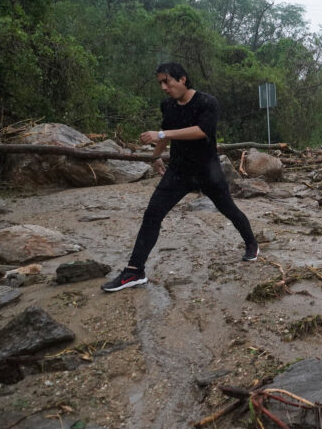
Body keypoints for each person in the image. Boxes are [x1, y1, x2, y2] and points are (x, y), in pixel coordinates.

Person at [102, 62, 259, 292]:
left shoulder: (207, 102)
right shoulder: (168, 105)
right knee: (152, 214)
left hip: (208, 171)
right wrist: (155, 156)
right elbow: (166, 132)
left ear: (182, 79)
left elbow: (201, 130)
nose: (164, 87)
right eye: (161, 83)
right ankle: (134, 271)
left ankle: (252, 244)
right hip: (178, 171)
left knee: (229, 209)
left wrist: (162, 134)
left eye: (168, 81)